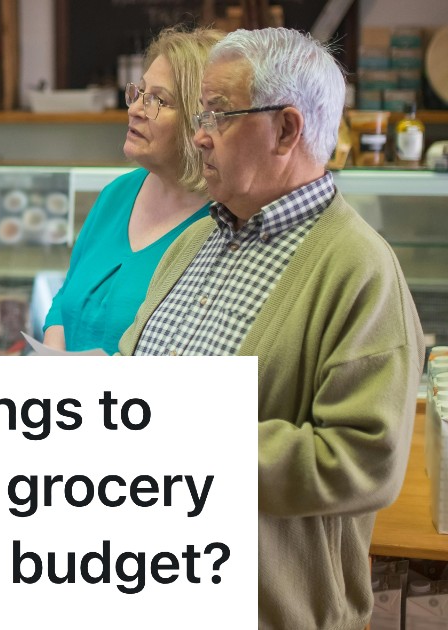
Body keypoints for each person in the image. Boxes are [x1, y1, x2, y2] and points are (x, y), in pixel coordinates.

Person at [119, 28, 423, 629]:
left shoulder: (357, 268)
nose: (199, 134)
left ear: (287, 129)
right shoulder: (196, 241)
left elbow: (361, 459)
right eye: (200, 112)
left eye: (220, 116)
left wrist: (185, 439)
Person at [42, 27, 223, 354]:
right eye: (138, 92)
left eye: (158, 100)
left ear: (200, 120)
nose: (135, 109)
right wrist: (54, 350)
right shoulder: (116, 194)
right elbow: (66, 296)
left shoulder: (223, 225)